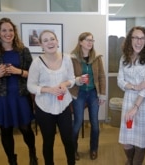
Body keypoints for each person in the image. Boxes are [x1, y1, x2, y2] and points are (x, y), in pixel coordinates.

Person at [0, 17, 37, 165]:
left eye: (11, 30)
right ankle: (11, 160)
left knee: (25, 128)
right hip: (2, 98)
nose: (8, 33)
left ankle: (33, 154)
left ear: (15, 32)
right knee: (6, 130)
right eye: (4, 30)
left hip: (20, 96)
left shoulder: (23, 50)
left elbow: (33, 74)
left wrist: (18, 71)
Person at [27, 30, 75, 165]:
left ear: (57, 42)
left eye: (52, 39)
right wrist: (48, 90)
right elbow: (30, 86)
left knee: (68, 140)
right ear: (41, 45)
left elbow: (72, 79)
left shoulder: (67, 59)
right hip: (44, 107)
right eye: (46, 40)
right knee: (48, 142)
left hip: (64, 105)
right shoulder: (37, 63)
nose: (50, 42)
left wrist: (65, 84)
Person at [117, 26, 145, 165]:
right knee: (126, 141)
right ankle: (130, 160)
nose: (138, 41)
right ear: (130, 40)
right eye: (135, 38)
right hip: (128, 98)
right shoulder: (124, 58)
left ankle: (136, 163)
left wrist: (135, 107)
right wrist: (134, 86)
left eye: (142, 38)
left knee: (141, 139)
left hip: (143, 102)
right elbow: (120, 81)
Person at [69, 32, 106, 161]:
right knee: (77, 123)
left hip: (93, 93)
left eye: (92, 40)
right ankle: (73, 150)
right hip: (78, 93)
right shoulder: (72, 58)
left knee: (95, 124)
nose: (90, 42)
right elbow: (68, 78)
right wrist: (78, 79)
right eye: (87, 40)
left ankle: (94, 149)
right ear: (80, 42)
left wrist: (102, 94)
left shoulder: (96, 58)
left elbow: (101, 76)